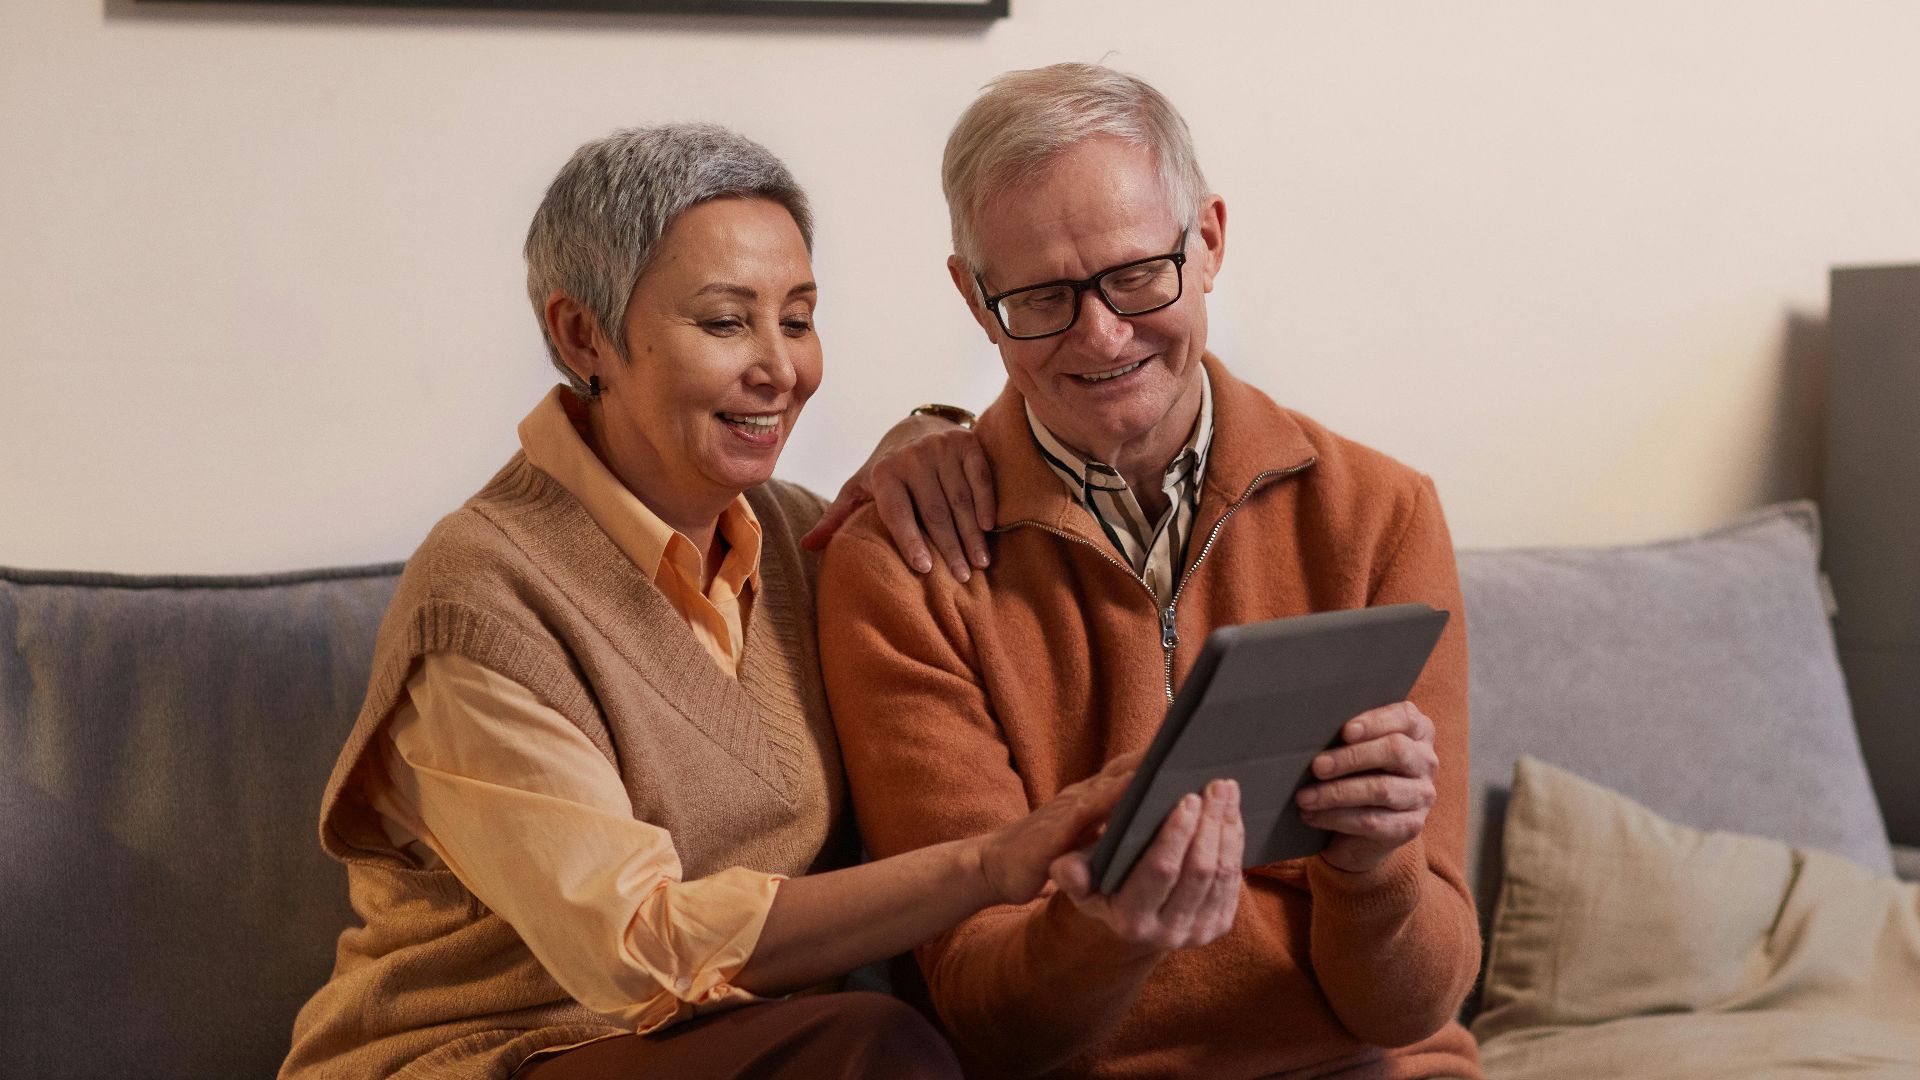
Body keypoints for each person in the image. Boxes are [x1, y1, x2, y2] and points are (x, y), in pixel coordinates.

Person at [278, 122, 1134, 1080]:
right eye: (727, 323)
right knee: (875, 1053)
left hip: (753, 1048)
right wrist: (985, 864)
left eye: (799, 319)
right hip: (497, 1054)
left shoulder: (810, 545)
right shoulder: (482, 596)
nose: (780, 369)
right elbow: (633, 950)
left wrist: (943, 434)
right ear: (582, 334)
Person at [819, 63, 1483, 1078]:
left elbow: (1415, 1006)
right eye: (1041, 296)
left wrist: (1378, 866)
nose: (1101, 334)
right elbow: (988, 1017)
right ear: (974, 298)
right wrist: (1107, 935)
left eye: (1136, 274)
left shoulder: (1380, 513)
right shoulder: (902, 565)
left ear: (1208, 240)